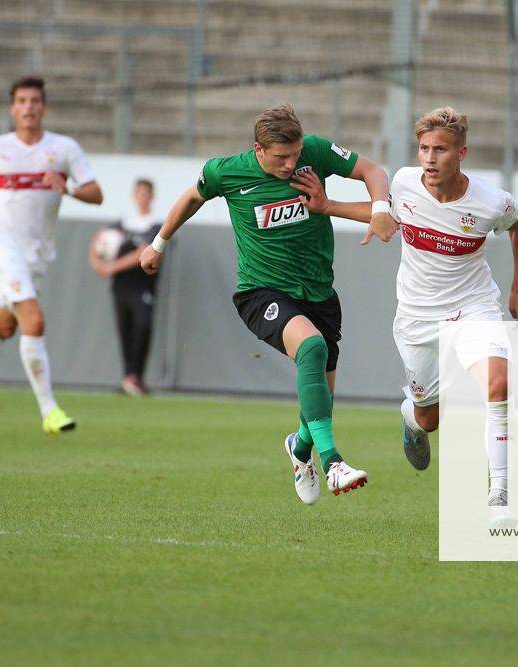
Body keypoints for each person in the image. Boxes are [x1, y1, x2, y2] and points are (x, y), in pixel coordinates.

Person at [140, 104, 398, 504]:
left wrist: (380, 209)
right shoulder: (226, 172)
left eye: (295, 155)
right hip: (262, 293)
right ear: (258, 148)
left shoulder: (313, 151)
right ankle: (333, 463)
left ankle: (300, 449)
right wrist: (159, 243)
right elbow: (193, 197)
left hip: (319, 294)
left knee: (321, 396)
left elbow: (374, 171)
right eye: (281, 157)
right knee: (311, 348)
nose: (291, 163)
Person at [290, 107, 518, 523]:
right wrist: (327, 205)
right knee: (429, 417)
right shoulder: (403, 183)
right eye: (424, 148)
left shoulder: (491, 201)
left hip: (474, 307)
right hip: (418, 320)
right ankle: (412, 419)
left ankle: (500, 496)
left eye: (441, 149)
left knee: (498, 384)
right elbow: (382, 212)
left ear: (461, 153)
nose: (430, 158)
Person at [0, 76, 104, 434]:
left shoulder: (64, 149)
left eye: (35, 101)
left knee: (5, 325)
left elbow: (96, 193)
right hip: (2, 249)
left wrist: (70, 188)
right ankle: (50, 410)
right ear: (12, 108)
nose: (29, 107)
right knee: (35, 320)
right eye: (22, 101)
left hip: (37, 255)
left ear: (43, 107)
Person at [89, 178, 164, 396]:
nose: (142, 197)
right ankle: (128, 379)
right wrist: (96, 262)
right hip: (120, 287)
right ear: (134, 196)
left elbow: (142, 252)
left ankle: (137, 377)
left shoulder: (155, 226)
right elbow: (98, 239)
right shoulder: (121, 224)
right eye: (139, 193)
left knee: (143, 326)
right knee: (125, 330)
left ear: (151, 196)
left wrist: (111, 268)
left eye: (146, 193)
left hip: (143, 286)